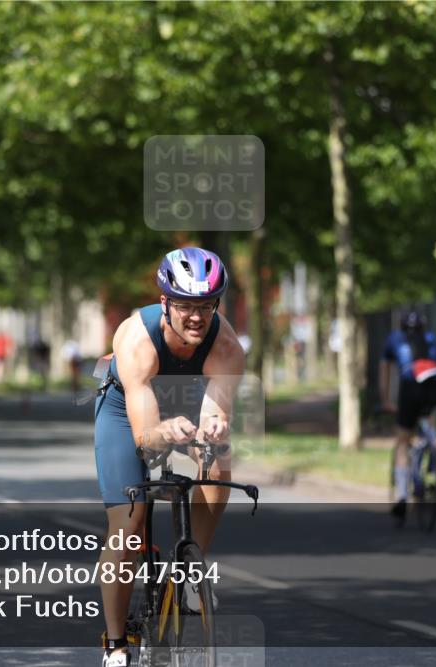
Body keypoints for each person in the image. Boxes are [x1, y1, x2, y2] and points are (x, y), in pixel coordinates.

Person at [94, 247, 245, 667]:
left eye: (205, 306)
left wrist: (215, 427)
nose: (196, 316)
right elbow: (145, 437)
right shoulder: (136, 339)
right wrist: (164, 431)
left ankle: (193, 569)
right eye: (185, 306)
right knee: (129, 522)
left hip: (187, 398)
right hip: (127, 410)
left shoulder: (227, 346)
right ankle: (115, 643)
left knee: (219, 454)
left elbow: (216, 411)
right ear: (164, 302)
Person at [379, 309, 436, 518]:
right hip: (435, 385)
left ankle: (401, 494)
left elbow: (385, 371)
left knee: (403, 439)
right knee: (429, 421)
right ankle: (432, 461)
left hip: (410, 389)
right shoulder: (431, 338)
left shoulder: (394, 339)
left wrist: (386, 401)